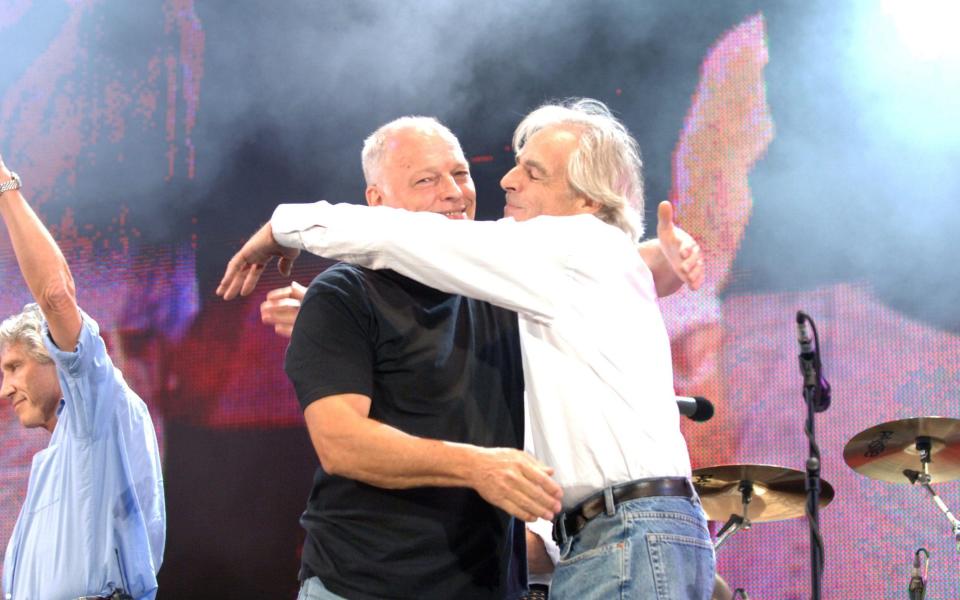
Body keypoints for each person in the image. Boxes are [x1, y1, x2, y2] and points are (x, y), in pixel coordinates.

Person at [218, 98, 714, 598]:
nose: (499, 182)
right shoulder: (357, 294)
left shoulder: (536, 268)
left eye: (532, 173)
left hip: (619, 538)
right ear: (377, 197)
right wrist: (340, 319)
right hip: (368, 583)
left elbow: (394, 238)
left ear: (587, 203)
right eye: (426, 180)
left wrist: (281, 226)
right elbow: (342, 439)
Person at [0, 157, 165, 599]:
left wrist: (4, 186)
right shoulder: (58, 460)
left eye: (14, 367)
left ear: (54, 356)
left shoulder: (95, 413)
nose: (5, 388)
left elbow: (55, 294)